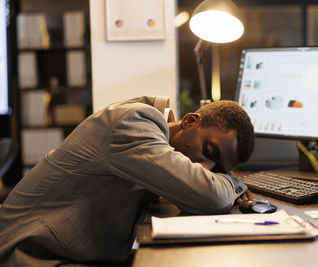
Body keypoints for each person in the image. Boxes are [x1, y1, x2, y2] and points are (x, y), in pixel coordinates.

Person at [0, 96, 255, 266]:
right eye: (209, 152)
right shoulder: (134, 124)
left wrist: (219, 177)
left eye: (219, 168)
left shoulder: (157, 135)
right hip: (27, 256)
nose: (207, 167)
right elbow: (212, 196)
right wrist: (234, 183)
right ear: (189, 121)